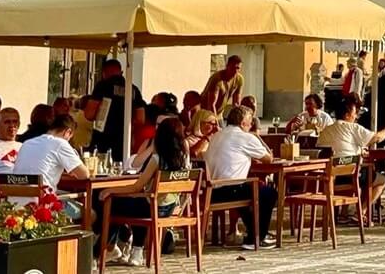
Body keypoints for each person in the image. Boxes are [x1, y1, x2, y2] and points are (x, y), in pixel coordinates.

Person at [101, 116, 192, 266]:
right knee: (138, 202)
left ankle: (112, 247)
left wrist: (110, 190)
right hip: (169, 207)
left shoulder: (157, 159)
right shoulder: (183, 159)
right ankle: (133, 250)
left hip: (152, 206)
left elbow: (137, 187)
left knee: (114, 203)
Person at [203, 105, 277, 249]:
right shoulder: (245, 137)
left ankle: (254, 233)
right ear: (243, 123)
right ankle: (257, 238)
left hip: (211, 190)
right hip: (229, 189)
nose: (251, 127)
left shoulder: (218, 135)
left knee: (252, 192)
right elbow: (269, 159)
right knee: (269, 193)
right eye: (250, 124)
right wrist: (257, 136)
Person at [317, 95, 385, 208]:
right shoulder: (352, 127)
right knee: (382, 180)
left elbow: (334, 148)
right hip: (349, 175)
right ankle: (362, 212)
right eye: (354, 113)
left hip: (329, 176)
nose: (356, 116)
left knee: (361, 172)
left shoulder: (326, 130)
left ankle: (343, 213)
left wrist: (358, 151)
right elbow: (376, 138)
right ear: (347, 115)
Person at [12, 114, 90, 221]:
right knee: (89, 214)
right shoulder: (60, 143)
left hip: (16, 204)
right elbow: (84, 175)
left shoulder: (27, 143)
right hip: (41, 207)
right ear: (68, 132)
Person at [84, 60, 147, 162]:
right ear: (121, 72)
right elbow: (141, 119)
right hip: (124, 140)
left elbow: (89, 114)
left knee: (101, 169)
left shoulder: (102, 86)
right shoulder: (133, 89)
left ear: (104, 73)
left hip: (102, 138)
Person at [0, 106, 21, 175]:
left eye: (15, 122)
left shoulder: (24, 147)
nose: (12, 125)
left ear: (19, 124)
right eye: (7, 122)